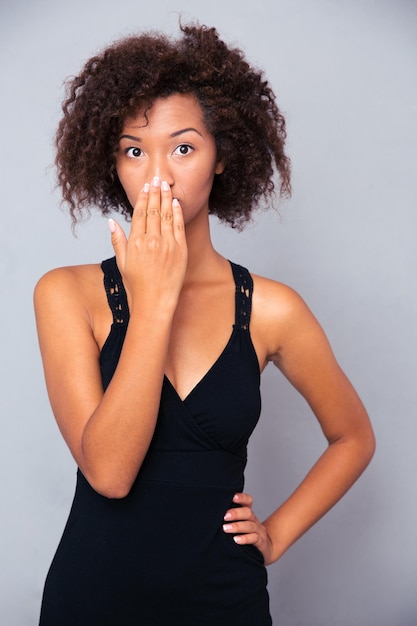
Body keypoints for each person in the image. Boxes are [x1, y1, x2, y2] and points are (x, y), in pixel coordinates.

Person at [34, 23, 375, 626]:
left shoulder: (272, 309)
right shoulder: (68, 294)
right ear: (110, 162)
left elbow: (353, 438)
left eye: (183, 147)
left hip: (225, 602)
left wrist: (277, 532)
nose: (157, 175)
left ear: (223, 159)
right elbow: (110, 475)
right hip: (93, 599)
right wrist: (155, 299)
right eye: (134, 150)